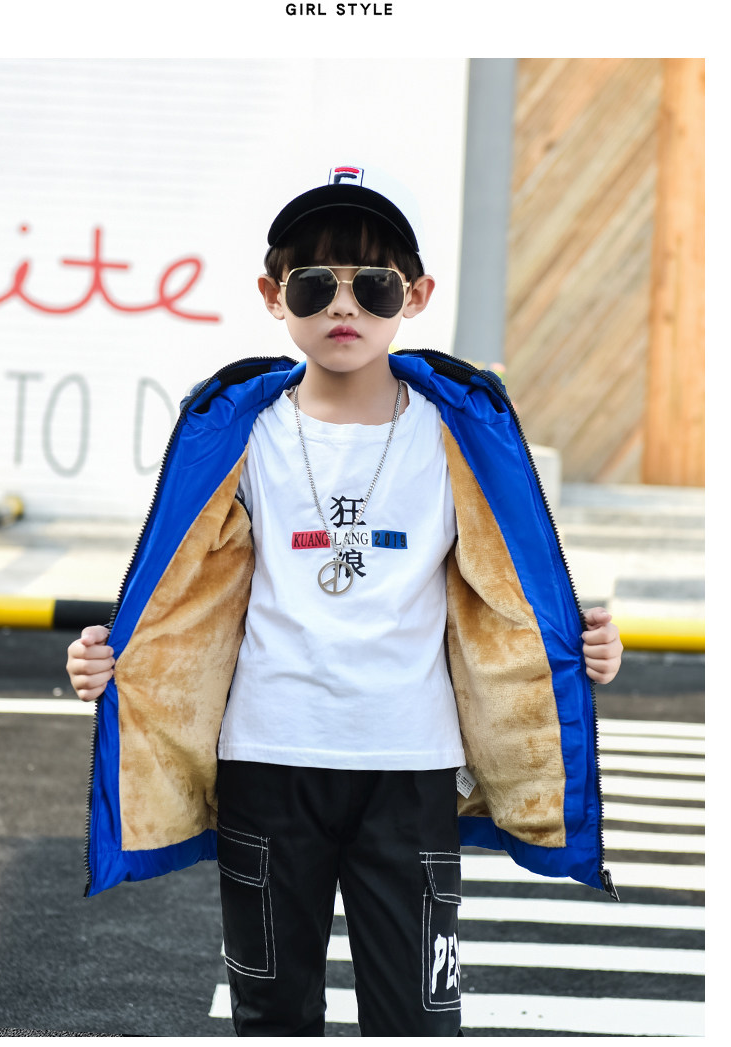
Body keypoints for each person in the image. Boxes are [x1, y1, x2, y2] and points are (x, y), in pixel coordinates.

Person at [67, 159, 622, 1038]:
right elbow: (183, 596)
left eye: (375, 285)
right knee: (273, 1016)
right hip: (267, 760)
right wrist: (111, 658)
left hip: (411, 767)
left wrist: (587, 647)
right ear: (273, 294)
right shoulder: (244, 431)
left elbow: (507, 590)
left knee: (418, 1018)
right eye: (315, 283)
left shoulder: (456, 435)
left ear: (416, 295)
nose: (344, 305)